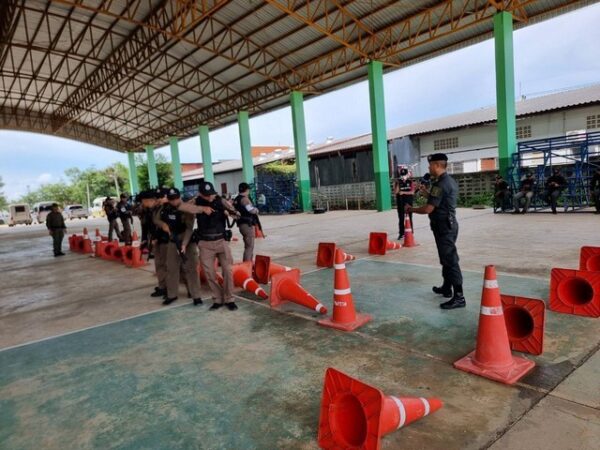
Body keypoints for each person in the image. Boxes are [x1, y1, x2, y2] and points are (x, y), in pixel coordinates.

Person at [406, 153, 465, 310]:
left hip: (444, 227)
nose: (428, 167)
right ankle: (446, 288)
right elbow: (437, 199)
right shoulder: (446, 181)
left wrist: (411, 209)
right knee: (446, 258)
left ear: (437, 165)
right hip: (447, 225)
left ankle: (459, 297)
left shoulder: (440, 184)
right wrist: (426, 192)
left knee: (450, 260)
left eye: (430, 164)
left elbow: (428, 208)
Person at [178, 181, 241, 311]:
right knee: (209, 274)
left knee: (228, 271)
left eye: (210, 194)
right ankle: (217, 299)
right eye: (206, 195)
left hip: (221, 241)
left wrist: (229, 213)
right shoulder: (196, 201)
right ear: (200, 193)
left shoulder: (220, 200)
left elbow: (237, 214)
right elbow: (182, 207)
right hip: (205, 244)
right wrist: (202, 209)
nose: (209, 197)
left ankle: (229, 299)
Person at [154, 188, 202, 306]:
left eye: (176, 198)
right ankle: (172, 295)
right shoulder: (165, 208)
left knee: (191, 268)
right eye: (171, 199)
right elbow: (156, 219)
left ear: (179, 197)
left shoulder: (187, 208)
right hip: (172, 240)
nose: (174, 201)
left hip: (188, 240)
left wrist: (184, 244)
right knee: (171, 268)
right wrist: (163, 225)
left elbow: (189, 228)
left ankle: (196, 295)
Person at [142, 189, 169, 299]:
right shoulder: (152, 210)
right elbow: (148, 226)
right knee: (159, 265)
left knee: (167, 265)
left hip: (165, 240)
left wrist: (157, 237)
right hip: (156, 240)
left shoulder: (165, 208)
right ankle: (162, 287)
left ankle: (169, 288)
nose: (158, 200)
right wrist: (147, 239)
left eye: (159, 198)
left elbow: (165, 225)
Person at [233, 182, 259, 262]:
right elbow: (251, 210)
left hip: (241, 224)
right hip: (247, 225)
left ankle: (247, 263)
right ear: (247, 190)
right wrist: (256, 210)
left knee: (247, 245)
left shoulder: (236, 199)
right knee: (249, 246)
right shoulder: (244, 199)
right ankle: (248, 264)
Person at [393, 165, 415, 240]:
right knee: (401, 218)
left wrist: (404, 192)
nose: (403, 176)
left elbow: (412, 192)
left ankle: (410, 232)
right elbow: (396, 192)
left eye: (404, 174)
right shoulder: (398, 182)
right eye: (402, 175)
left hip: (409, 203)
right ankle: (401, 233)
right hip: (400, 203)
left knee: (409, 218)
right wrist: (398, 183)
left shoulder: (410, 181)